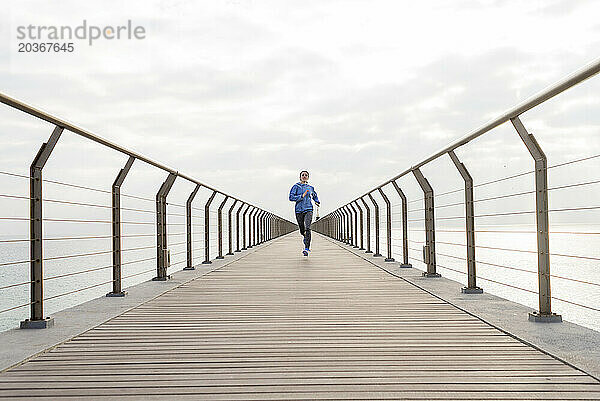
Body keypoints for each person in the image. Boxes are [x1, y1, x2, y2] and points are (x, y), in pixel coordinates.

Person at [289, 170, 320, 256]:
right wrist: (301, 196)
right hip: (299, 210)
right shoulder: (296, 186)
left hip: (308, 209)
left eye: (306, 175)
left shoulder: (310, 188)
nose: (304, 176)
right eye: (303, 175)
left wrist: (317, 201)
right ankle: (305, 237)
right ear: (300, 177)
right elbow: (291, 197)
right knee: (302, 229)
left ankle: (307, 248)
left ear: (308, 177)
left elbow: (314, 195)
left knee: (308, 227)